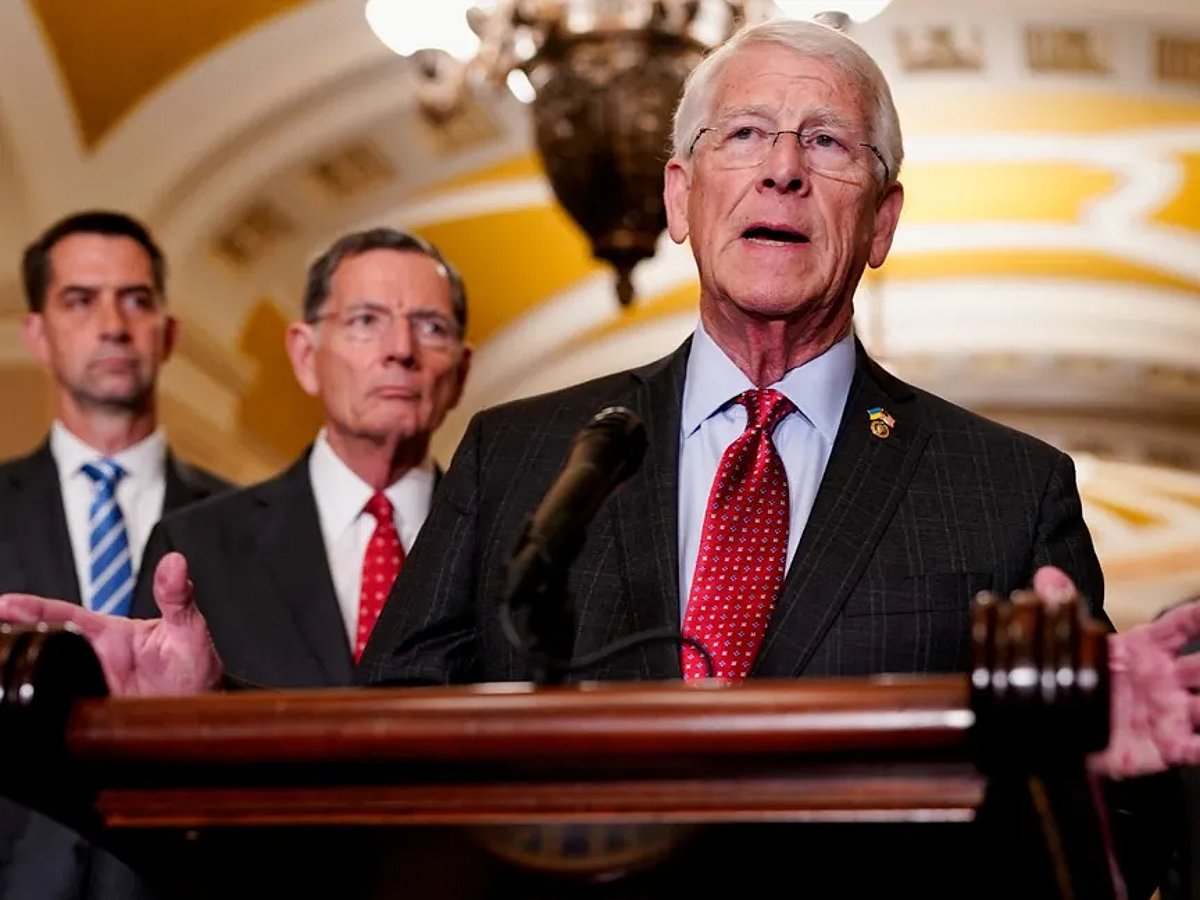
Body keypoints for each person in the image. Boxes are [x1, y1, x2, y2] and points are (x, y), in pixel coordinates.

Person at [0, 18, 1195, 899]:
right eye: (744, 135)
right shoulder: (523, 456)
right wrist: (209, 717)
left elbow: (1088, 828)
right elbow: (382, 761)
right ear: (680, 195)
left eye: (827, 142)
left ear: (881, 220)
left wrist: (1124, 779)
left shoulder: (1005, 489)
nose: (782, 167)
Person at [127, 227, 472, 688]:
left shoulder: (503, 551)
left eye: (432, 327)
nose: (401, 350)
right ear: (306, 356)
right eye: (366, 321)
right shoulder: (195, 548)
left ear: (462, 372)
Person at [0, 211, 228, 899]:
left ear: (168, 332)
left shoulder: (247, 525)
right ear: (36, 334)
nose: (113, 325)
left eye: (136, 299)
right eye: (80, 299)